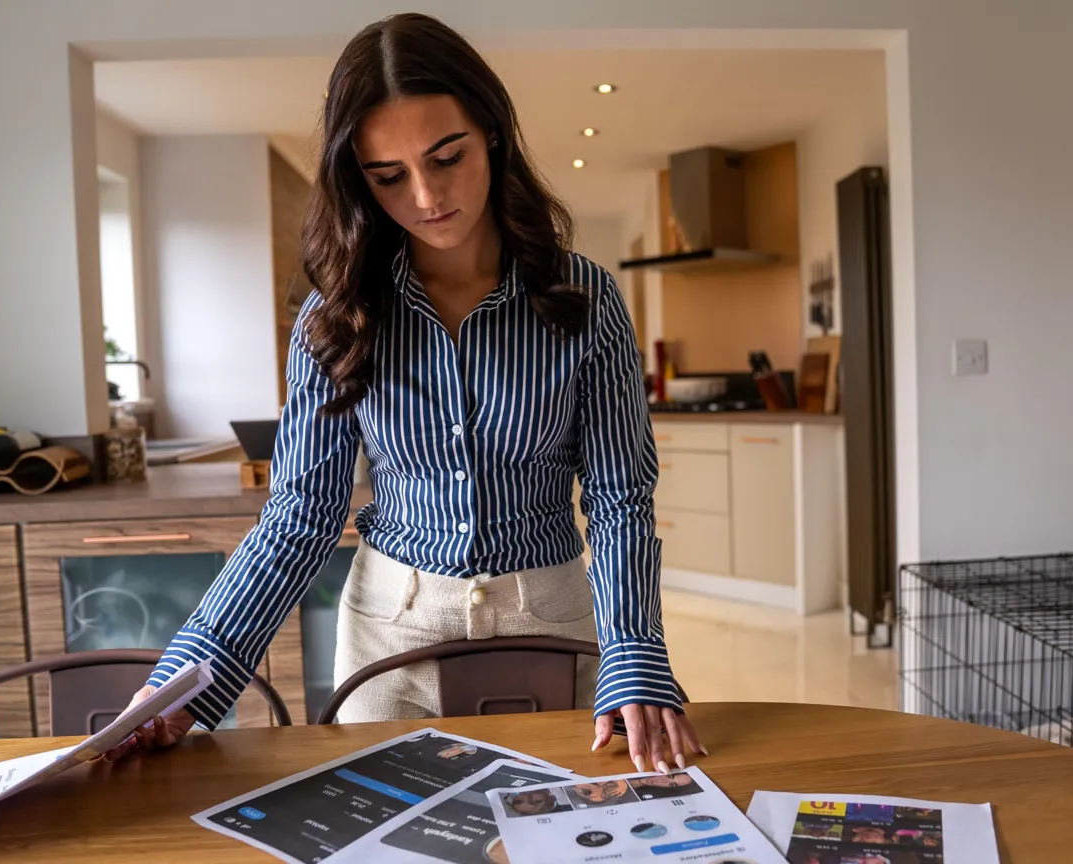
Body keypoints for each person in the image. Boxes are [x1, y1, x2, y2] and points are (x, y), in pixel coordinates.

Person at [102, 11, 702, 774]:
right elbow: (297, 518)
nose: (426, 195)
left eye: (445, 156)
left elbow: (619, 496)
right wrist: (187, 679)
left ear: (490, 131)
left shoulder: (583, 299)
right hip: (391, 645)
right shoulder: (337, 318)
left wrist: (635, 648)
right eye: (389, 177)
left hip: (553, 625)